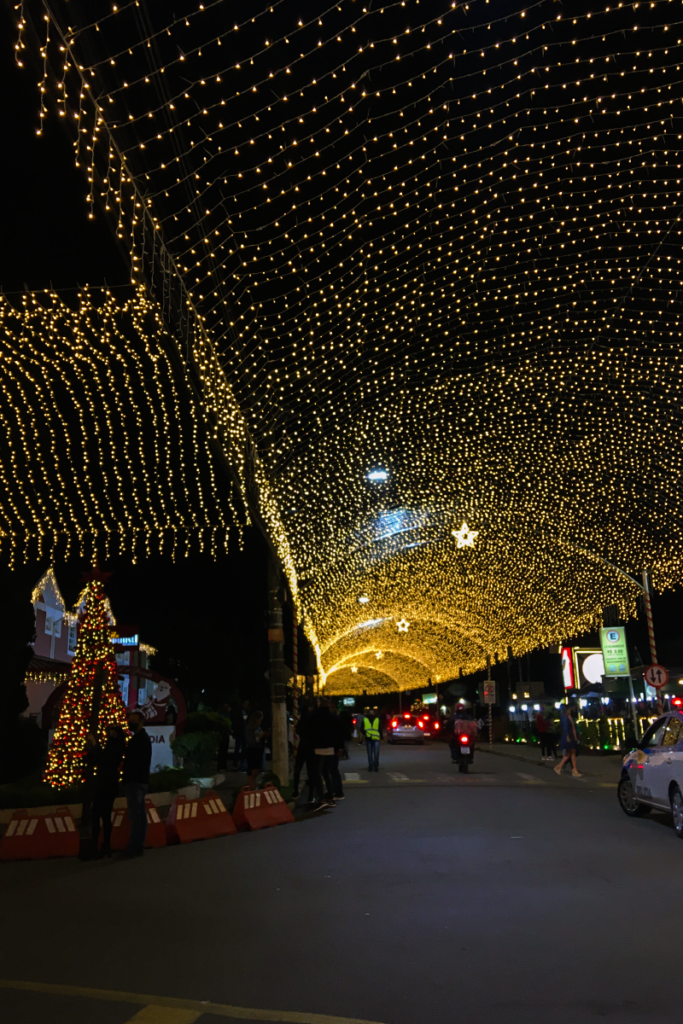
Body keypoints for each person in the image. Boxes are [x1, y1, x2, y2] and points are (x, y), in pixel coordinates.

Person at [88, 725, 126, 858]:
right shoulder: (115, 747)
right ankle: (104, 845)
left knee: (98, 815)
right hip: (108, 785)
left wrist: (95, 744)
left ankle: (98, 846)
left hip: (105, 786)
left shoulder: (114, 748)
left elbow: (103, 760)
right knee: (103, 816)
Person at [121, 712, 152, 857]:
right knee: (139, 814)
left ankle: (134, 846)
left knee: (135, 815)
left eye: (133, 721)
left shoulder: (140, 740)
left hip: (135, 781)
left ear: (141, 722)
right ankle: (138, 845)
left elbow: (136, 762)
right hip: (139, 780)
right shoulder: (140, 738)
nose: (130, 723)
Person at [309, 700, 340, 809]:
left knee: (317, 774)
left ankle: (321, 798)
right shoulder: (333, 717)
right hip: (330, 748)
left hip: (318, 748)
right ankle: (330, 797)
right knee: (327, 773)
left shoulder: (314, 717)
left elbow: (310, 732)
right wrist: (338, 748)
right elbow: (338, 733)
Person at [292, 701, 314, 799]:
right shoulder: (311, 720)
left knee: (298, 769)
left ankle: (296, 790)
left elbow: (297, 731)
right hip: (310, 746)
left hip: (302, 746)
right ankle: (311, 794)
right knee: (311, 770)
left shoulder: (302, 721)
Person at [555, 703, 582, 777]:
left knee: (569, 753)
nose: (570, 711)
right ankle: (573, 770)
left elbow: (573, 727)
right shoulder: (564, 717)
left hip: (571, 736)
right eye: (569, 710)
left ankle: (560, 767)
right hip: (568, 736)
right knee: (571, 753)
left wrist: (575, 736)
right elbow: (565, 727)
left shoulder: (568, 716)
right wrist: (567, 736)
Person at [245, 710, 269, 789]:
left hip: (258, 750)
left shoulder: (258, 727)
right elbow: (251, 741)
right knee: (253, 770)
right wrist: (261, 736)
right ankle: (252, 786)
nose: (260, 722)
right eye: (259, 720)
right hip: (253, 750)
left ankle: (252, 784)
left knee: (258, 768)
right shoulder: (249, 728)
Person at [232, 699, 251, 771]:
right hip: (240, 732)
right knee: (237, 748)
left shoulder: (246, 711)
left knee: (244, 749)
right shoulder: (238, 712)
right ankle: (235, 763)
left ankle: (242, 763)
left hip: (244, 733)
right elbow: (236, 723)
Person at [216, 702, 232, 771]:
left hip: (225, 734)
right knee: (222, 751)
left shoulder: (225, 715)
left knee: (224, 751)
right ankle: (221, 765)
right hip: (223, 735)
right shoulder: (223, 716)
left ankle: (223, 765)